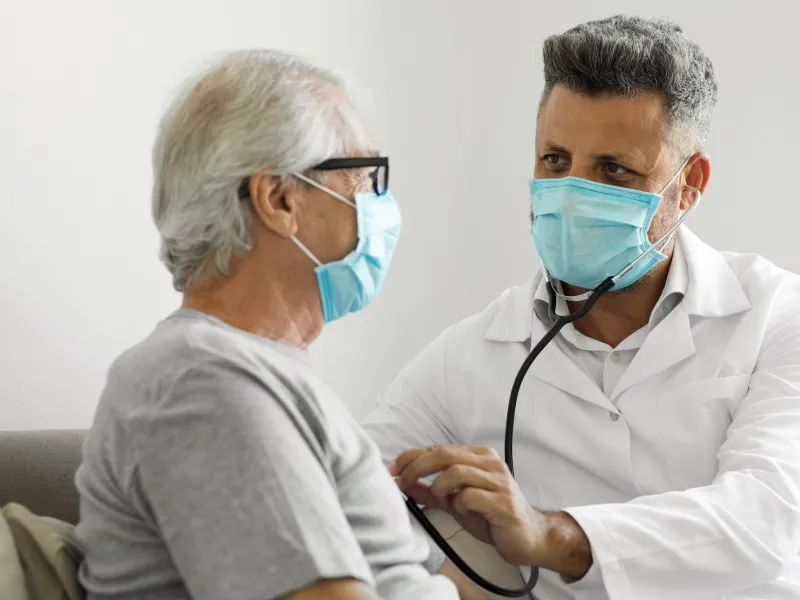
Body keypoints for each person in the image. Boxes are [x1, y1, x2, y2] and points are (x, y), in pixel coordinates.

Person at [363, 15, 800, 600]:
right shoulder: (467, 357)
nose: (571, 192)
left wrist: (550, 536)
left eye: (612, 170)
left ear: (689, 183)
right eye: (554, 160)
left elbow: (766, 518)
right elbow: (346, 489)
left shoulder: (776, 315)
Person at [74, 49, 457, 600]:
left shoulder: (251, 370)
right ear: (279, 199)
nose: (380, 201)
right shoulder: (202, 380)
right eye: (364, 176)